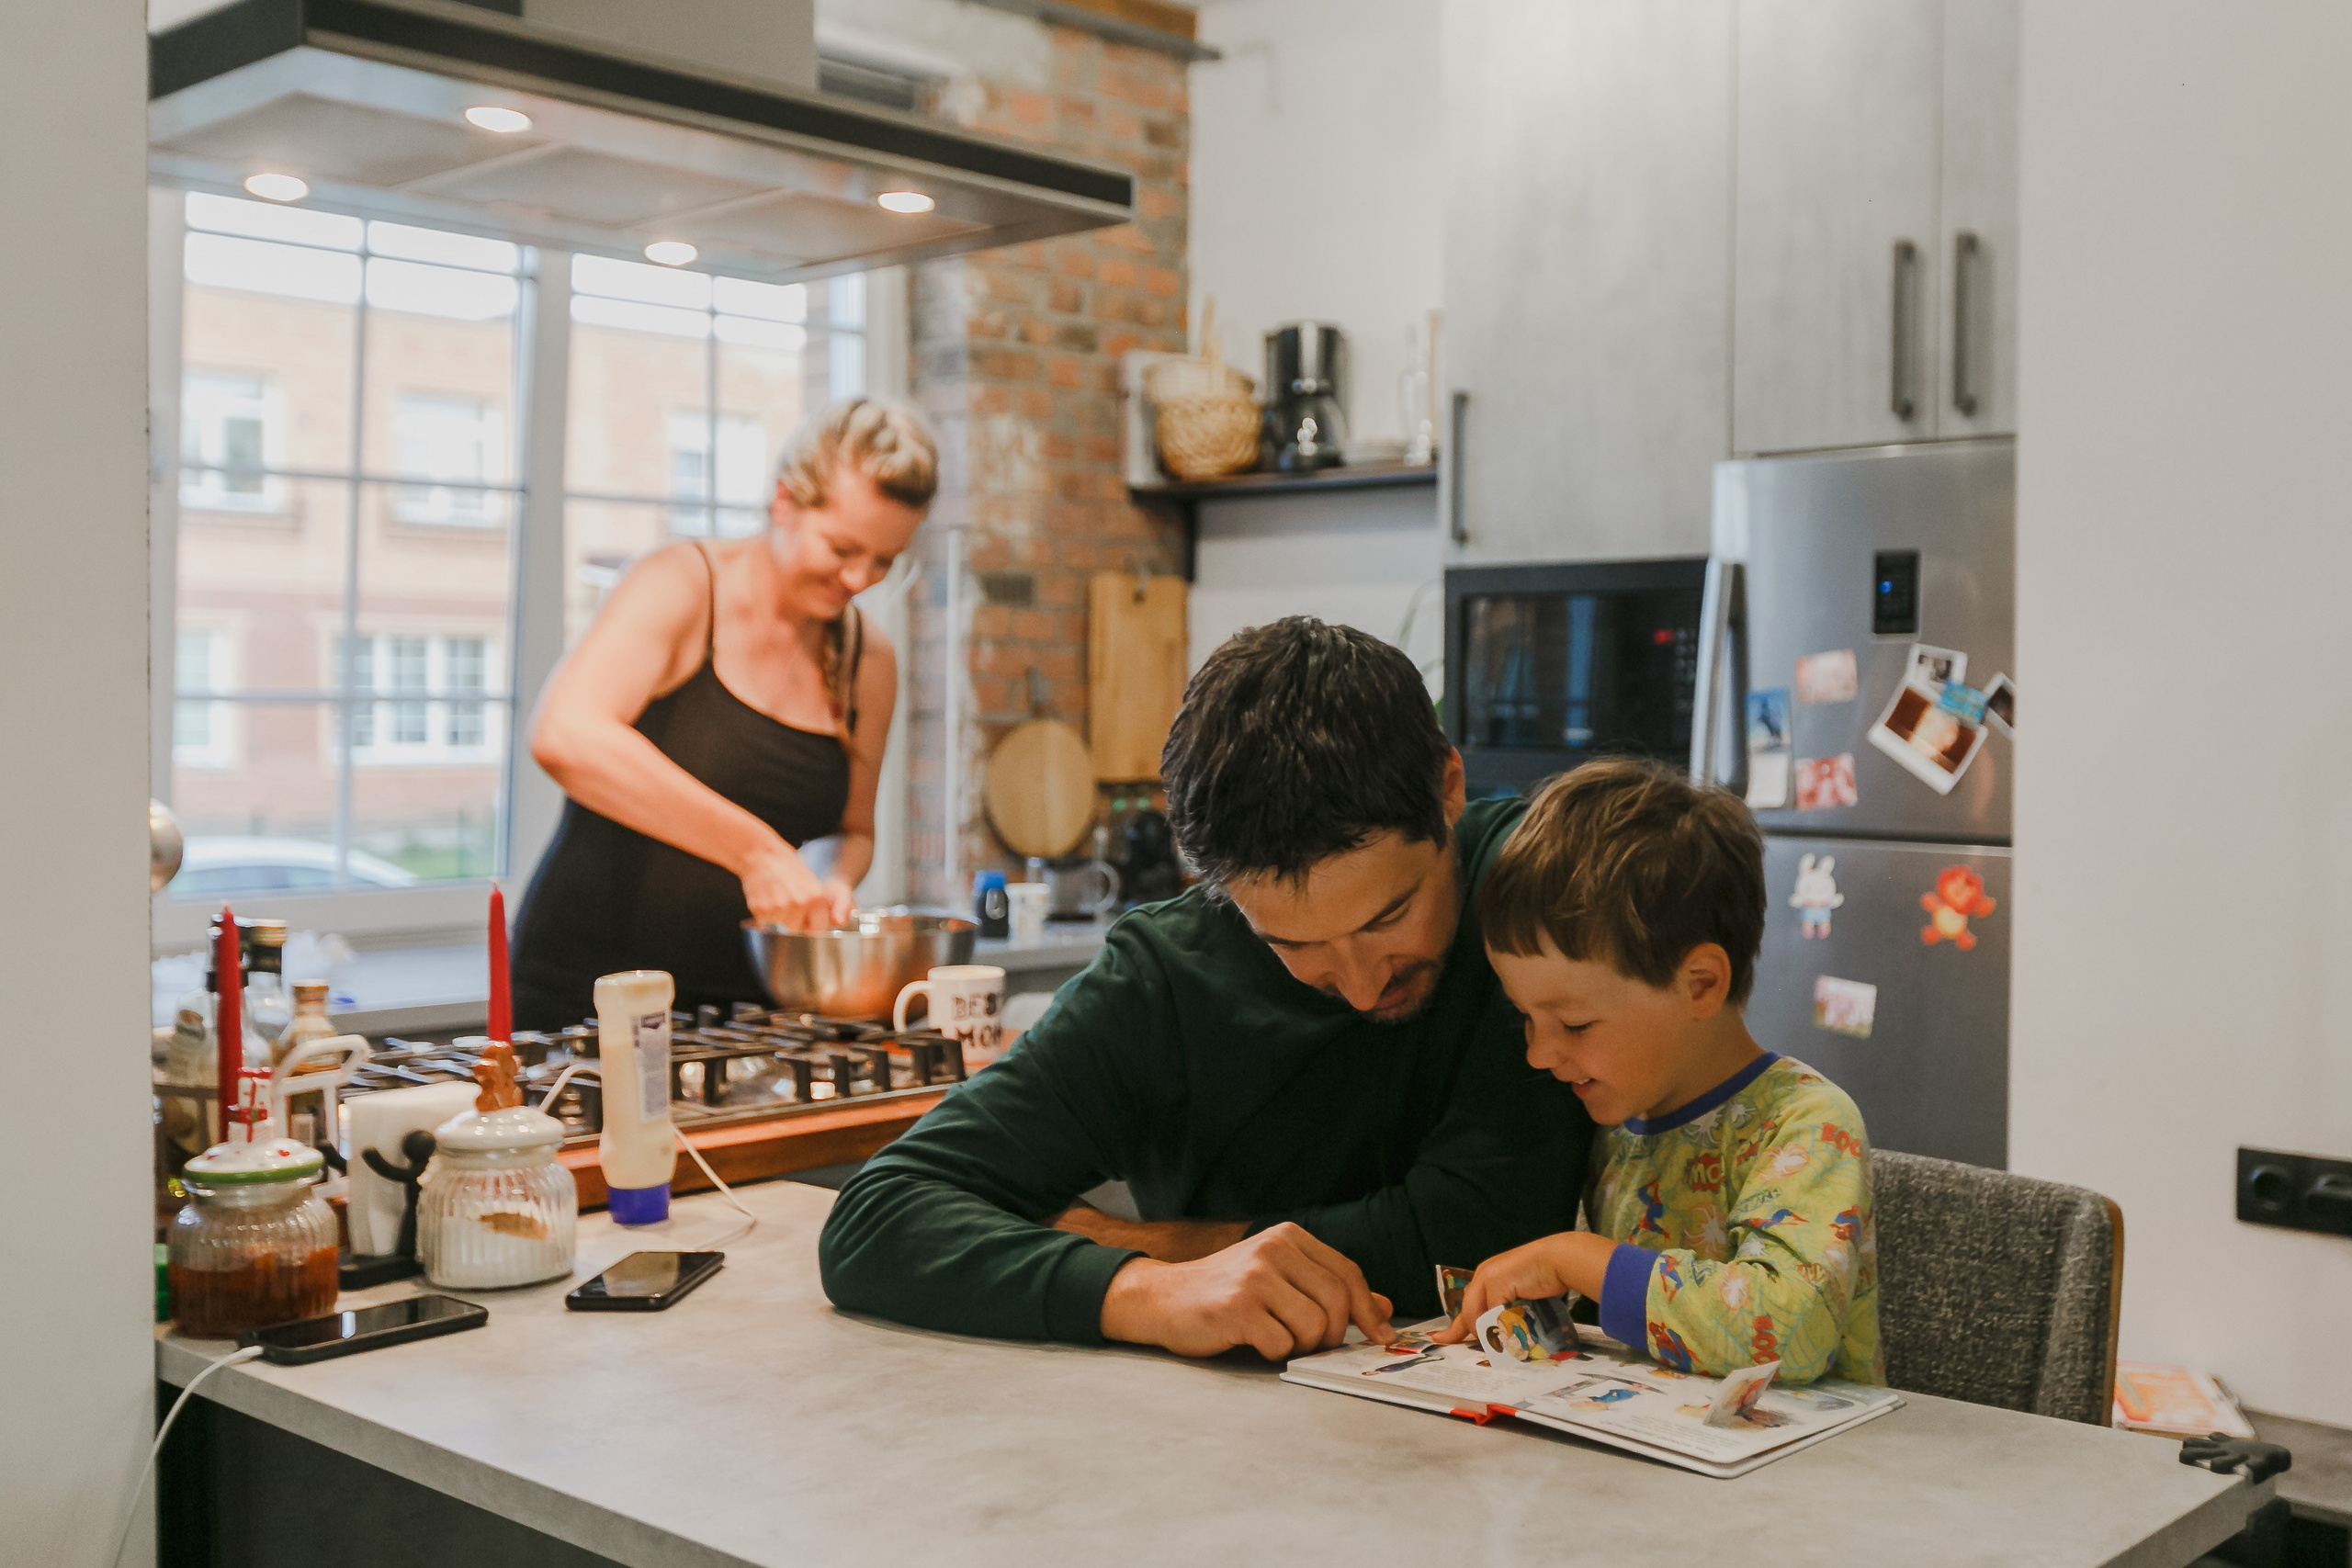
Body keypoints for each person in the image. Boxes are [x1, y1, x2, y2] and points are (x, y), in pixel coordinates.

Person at [820, 618, 1594, 1359]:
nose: (1361, 987)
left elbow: (1480, 1234)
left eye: (1388, 916)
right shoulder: (1164, 976)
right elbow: (875, 1218)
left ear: (1448, 789)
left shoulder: (1534, 896)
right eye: (1294, 944)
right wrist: (1151, 1291)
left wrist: (1151, 1241)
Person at [1433, 759, 1883, 1385]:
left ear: (1699, 984)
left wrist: (1577, 1258)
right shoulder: (1615, 1116)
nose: (1538, 1053)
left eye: (1575, 1023)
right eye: (1525, 1017)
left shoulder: (1808, 1124)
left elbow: (1789, 1331)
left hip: (1804, 1478)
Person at [510, 399, 936, 1029]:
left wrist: (829, 882)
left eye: (884, 560)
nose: (859, 578)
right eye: (843, 547)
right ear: (784, 502)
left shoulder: (867, 659)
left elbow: (853, 829)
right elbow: (564, 734)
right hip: (590, 994)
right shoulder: (680, 584)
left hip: (752, 1007)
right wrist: (757, 851)